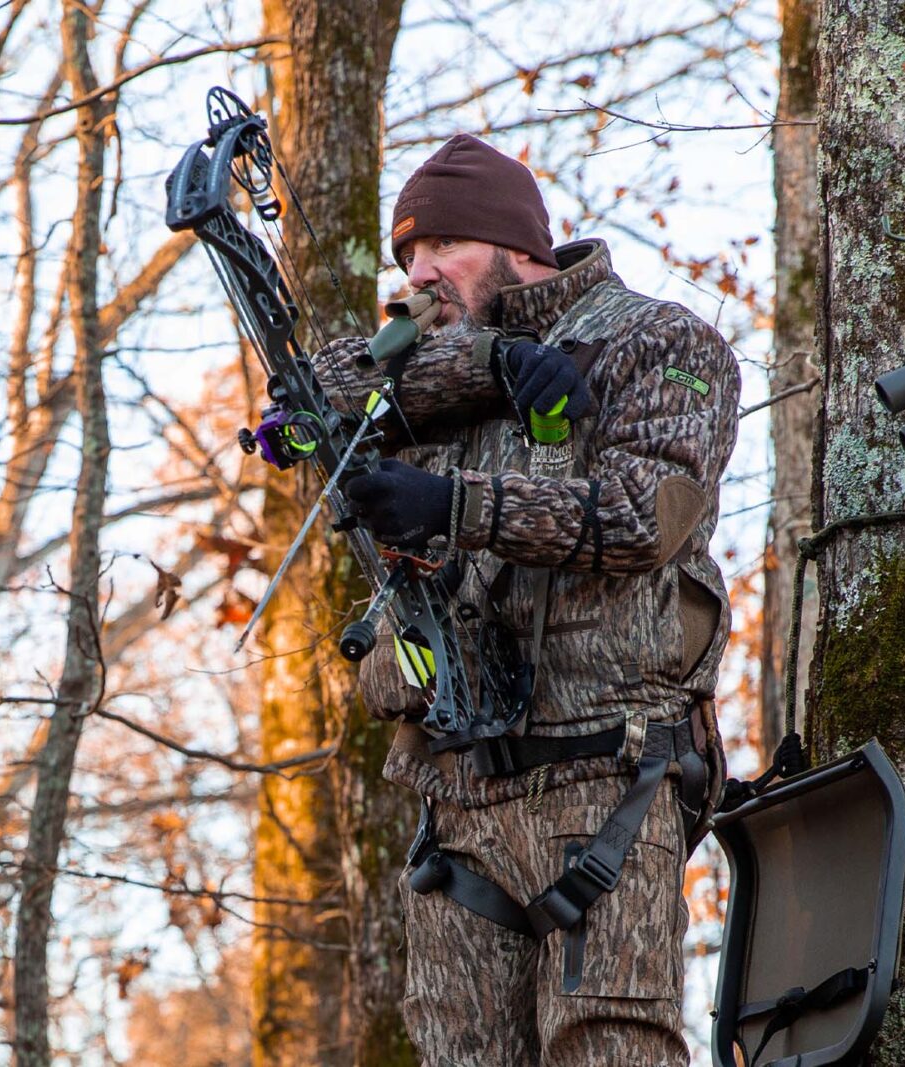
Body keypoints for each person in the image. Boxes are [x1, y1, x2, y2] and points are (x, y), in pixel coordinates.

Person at [311, 133, 739, 1066]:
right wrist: (487, 366)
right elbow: (310, 397)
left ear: (518, 247)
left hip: (605, 778)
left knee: (609, 1046)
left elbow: (643, 516)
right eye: (406, 257)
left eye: (441, 250)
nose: (420, 275)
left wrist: (452, 504)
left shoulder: (657, 341)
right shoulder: (432, 368)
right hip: (456, 800)